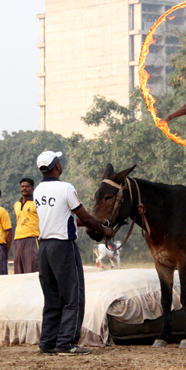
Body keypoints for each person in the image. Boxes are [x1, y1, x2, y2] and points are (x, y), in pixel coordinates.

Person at [34, 151, 114, 356]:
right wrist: (104, 229)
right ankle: (66, 343)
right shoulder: (66, 188)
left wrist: (95, 222)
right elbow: (83, 217)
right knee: (73, 296)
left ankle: (48, 342)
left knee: (51, 297)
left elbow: (65, 217)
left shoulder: (38, 190)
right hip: (63, 246)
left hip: (43, 247)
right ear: (57, 166)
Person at [13, 178, 40, 274]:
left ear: (32, 188)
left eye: (27, 186)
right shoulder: (17, 204)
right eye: (22, 186)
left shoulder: (37, 202)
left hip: (32, 239)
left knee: (32, 270)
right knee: (19, 271)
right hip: (18, 239)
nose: (24, 188)